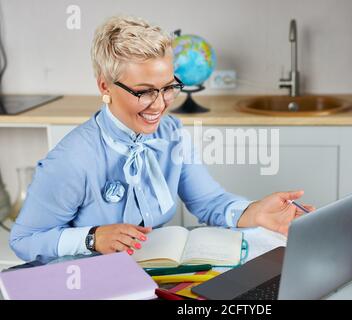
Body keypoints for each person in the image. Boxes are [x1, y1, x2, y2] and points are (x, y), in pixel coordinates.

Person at [9, 16, 314, 263]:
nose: (160, 104)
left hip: (148, 273)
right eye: (143, 92)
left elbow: (209, 202)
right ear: (105, 86)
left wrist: (255, 212)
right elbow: (23, 240)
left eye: (168, 87)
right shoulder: (72, 160)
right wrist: (91, 238)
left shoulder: (171, 133)